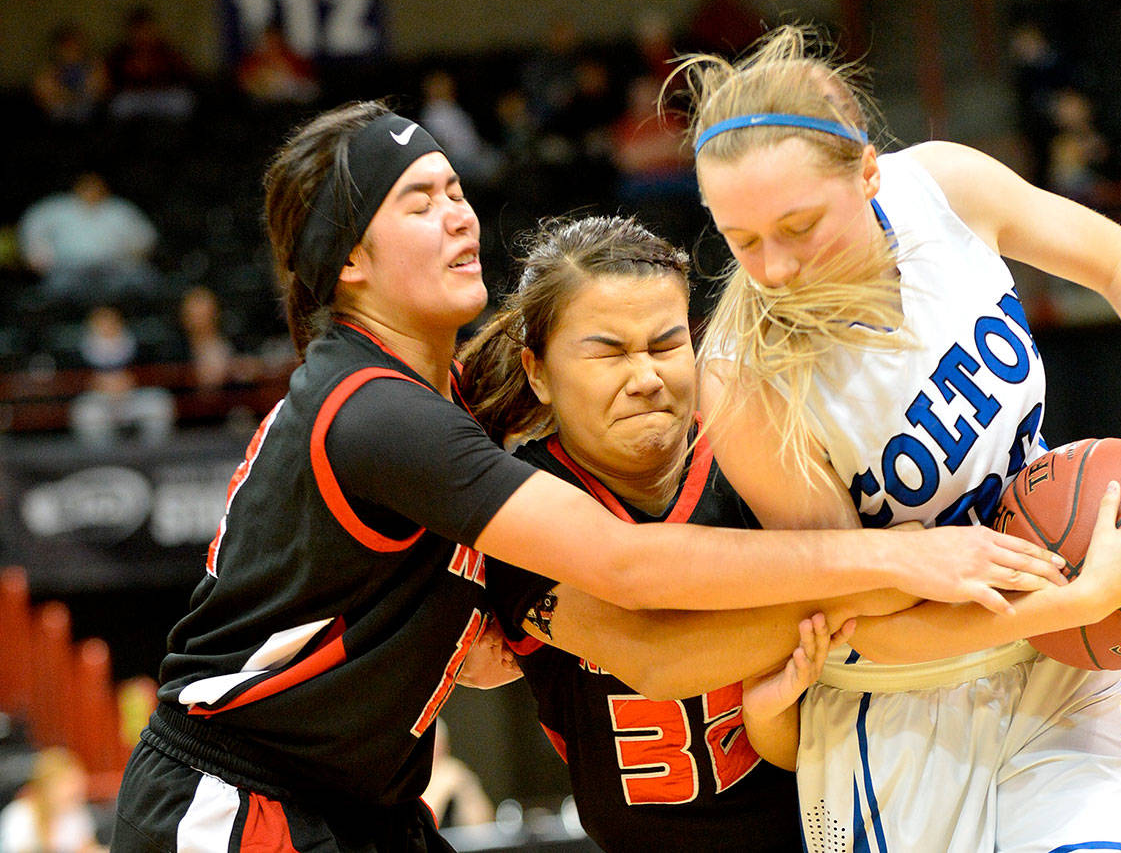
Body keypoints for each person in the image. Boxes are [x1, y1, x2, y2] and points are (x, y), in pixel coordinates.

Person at [110, 100, 1067, 853]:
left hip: (365, 807)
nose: (458, 215)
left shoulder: (438, 412)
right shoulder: (374, 412)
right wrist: (897, 560)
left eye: (456, 190)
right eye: (418, 200)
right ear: (349, 262)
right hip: (241, 801)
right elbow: (630, 568)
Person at [674, 25, 1121, 851]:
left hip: (1057, 666)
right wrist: (1077, 601)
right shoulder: (741, 375)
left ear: (868, 170)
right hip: (905, 717)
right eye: (741, 239)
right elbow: (857, 615)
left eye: (799, 226)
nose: (775, 267)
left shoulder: (940, 189)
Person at [458, 214, 1121, 851]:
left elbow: (819, 685)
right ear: (540, 372)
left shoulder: (756, 457)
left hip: (826, 822)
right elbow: (658, 653)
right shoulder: (526, 503)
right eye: (607, 351)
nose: (647, 376)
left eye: (664, 344)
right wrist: (870, 588)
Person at [18, 171, 160, 310]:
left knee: (143, 280)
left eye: (96, 187)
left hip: (113, 269)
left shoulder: (119, 209)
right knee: (56, 287)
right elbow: (33, 232)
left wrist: (134, 255)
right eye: (87, 187)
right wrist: (39, 257)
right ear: (77, 187)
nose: (92, 191)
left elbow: (145, 237)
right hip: (69, 269)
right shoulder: (55, 208)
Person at [68, 304, 175, 449]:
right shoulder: (79, 352)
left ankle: (154, 452)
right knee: (86, 414)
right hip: (100, 401)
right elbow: (72, 383)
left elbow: (154, 374)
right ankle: (101, 459)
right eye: (100, 321)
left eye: (110, 320)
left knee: (159, 404)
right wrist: (95, 384)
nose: (106, 325)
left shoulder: (138, 345)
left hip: (132, 397)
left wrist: (134, 380)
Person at [0, 747, 107, 853]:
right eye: (68, 783)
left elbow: (87, 848)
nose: (76, 790)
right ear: (47, 786)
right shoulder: (20, 815)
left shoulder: (75, 813)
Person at [31, 23, 109, 125]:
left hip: (90, 114)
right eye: (67, 46)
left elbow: (99, 91)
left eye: (75, 45)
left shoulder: (95, 66)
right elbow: (44, 94)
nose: (72, 50)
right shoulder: (48, 71)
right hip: (58, 118)